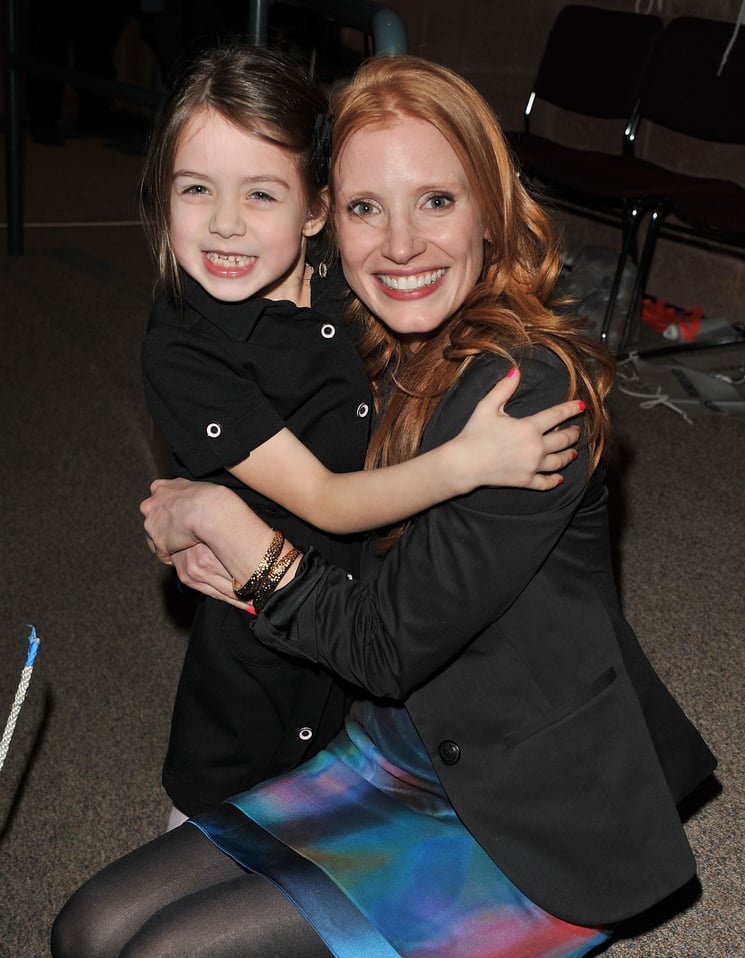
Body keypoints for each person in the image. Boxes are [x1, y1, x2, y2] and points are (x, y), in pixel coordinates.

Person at [51, 55, 716, 958]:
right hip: (381, 751)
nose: (399, 244)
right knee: (85, 934)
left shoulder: (528, 393)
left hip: (521, 813)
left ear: (488, 209)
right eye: (366, 208)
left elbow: (378, 641)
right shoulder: (359, 340)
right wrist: (195, 506)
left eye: (434, 200)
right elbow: (236, 399)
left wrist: (230, 529)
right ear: (328, 220)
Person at [139, 43, 582, 825]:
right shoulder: (186, 345)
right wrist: (466, 463)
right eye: (196, 189)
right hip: (262, 646)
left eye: (262, 194)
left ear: (312, 210)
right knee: (154, 883)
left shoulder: (347, 286)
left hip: (366, 665)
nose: (227, 223)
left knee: (200, 920)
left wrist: (205, 513)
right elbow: (325, 500)